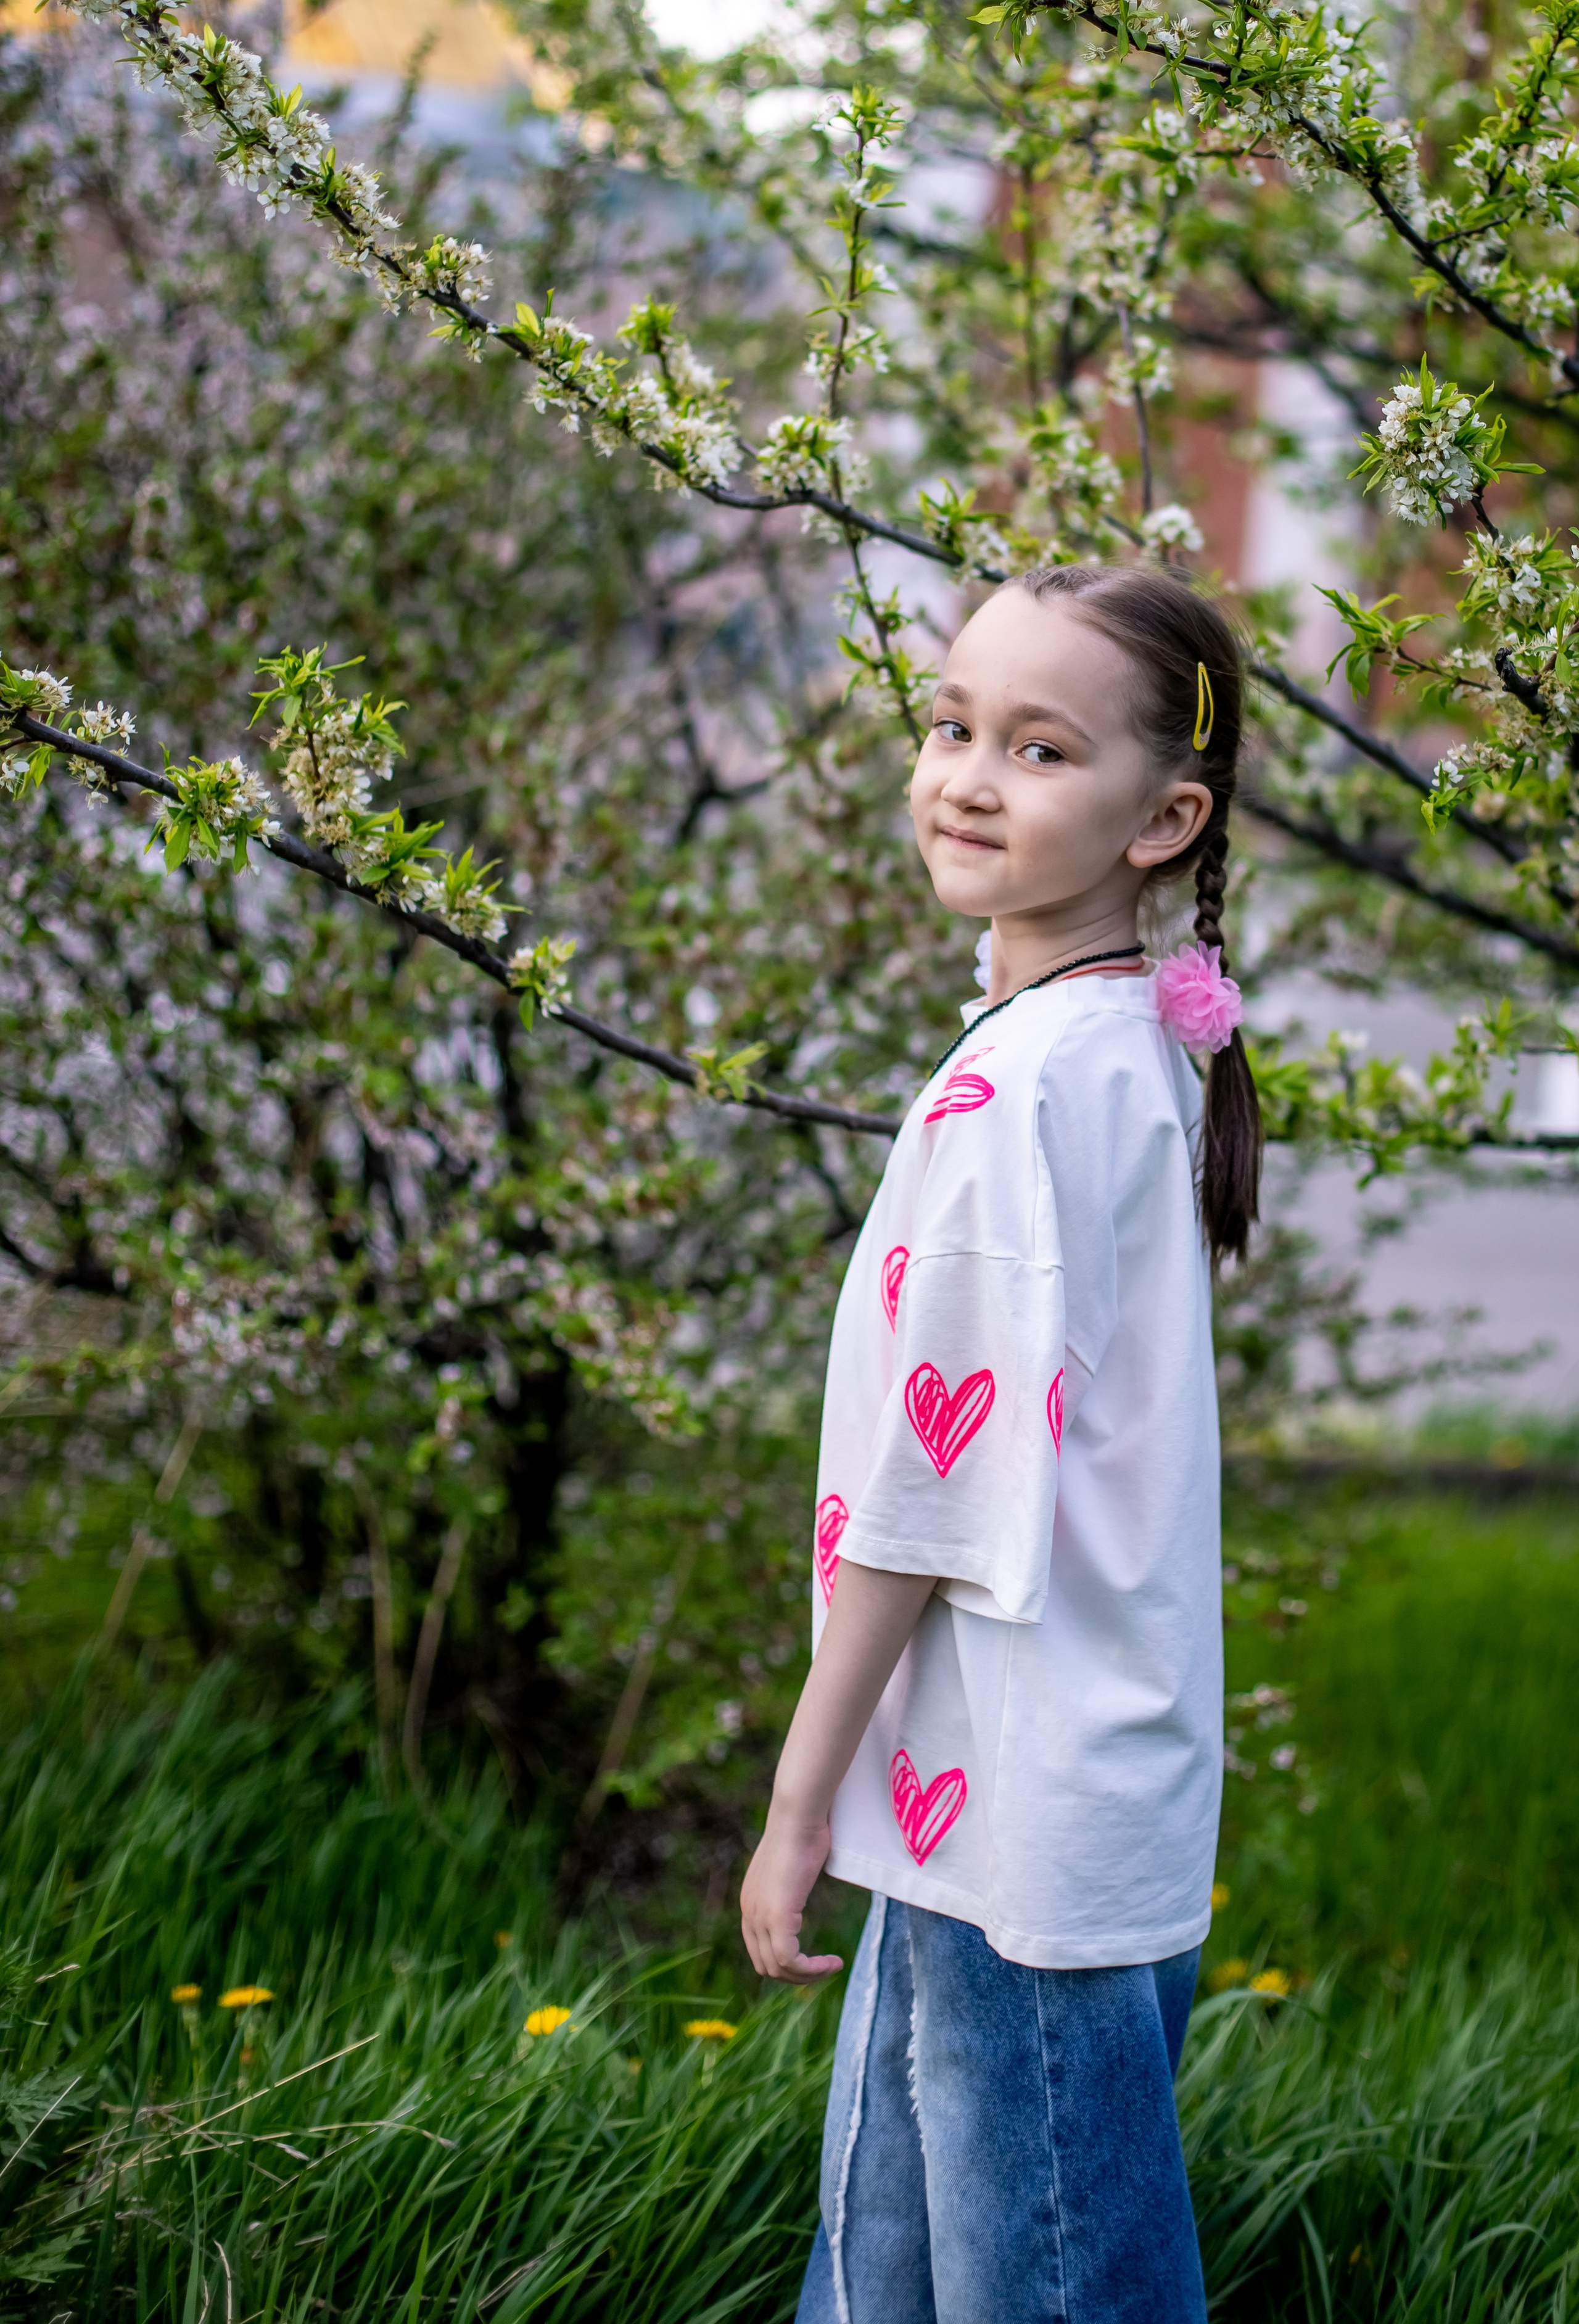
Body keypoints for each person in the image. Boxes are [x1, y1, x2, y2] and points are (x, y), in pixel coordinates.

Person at [740, 564, 1261, 2323]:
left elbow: (925, 1494)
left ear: (1161, 817)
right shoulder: (1118, 1045)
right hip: (1050, 1784)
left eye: (1039, 749)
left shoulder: (1017, 1093)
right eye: (951, 725)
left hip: (1015, 1810)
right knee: (885, 2259)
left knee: (1051, 2283)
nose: (967, 774)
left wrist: (801, 1793)